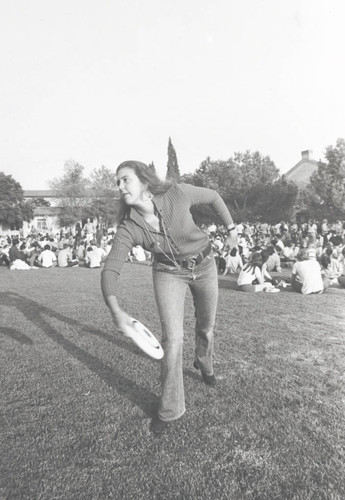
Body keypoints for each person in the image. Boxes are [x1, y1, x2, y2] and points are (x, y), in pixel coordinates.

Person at [101, 160, 237, 434]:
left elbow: (213, 197)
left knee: (206, 326)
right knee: (173, 340)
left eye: (125, 179)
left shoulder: (176, 193)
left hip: (205, 265)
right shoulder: (130, 227)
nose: (120, 186)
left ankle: (204, 362)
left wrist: (231, 230)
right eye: (117, 182)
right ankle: (170, 409)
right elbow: (110, 270)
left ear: (144, 180)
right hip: (167, 273)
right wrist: (116, 310)